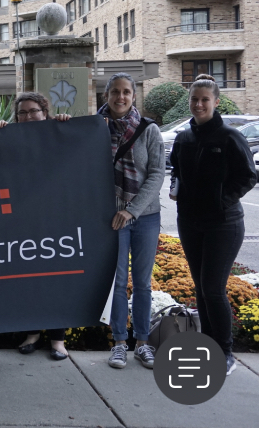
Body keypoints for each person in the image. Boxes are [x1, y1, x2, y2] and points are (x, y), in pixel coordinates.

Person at [170, 74, 256, 376]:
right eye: (194, 99)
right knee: (201, 287)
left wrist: (222, 200)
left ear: (216, 102)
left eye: (205, 99)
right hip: (190, 222)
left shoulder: (230, 136)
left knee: (213, 289)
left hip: (223, 224)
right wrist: (176, 189)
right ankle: (209, 345)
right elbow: (176, 169)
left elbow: (248, 175)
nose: (198, 104)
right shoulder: (184, 137)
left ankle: (224, 351)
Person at [96, 73, 164, 370]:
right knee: (119, 282)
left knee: (143, 283)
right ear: (106, 95)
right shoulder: (95, 128)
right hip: (112, 218)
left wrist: (132, 210)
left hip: (145, 217)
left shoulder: (149, 130)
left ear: (133, 96)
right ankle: (120, 343)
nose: (120, 97)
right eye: (115, 92)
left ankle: (143, 343)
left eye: (126, 92)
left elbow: (157, 174)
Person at [0, 92, 71, 360]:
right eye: (22, 113)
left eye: (33, 111)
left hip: (54, 218)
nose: (28, 116)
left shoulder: (58, 134)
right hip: (23, 219)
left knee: (55, 278)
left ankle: (57, 339)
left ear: (45, 112)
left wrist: (67, 124)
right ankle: (31, 334)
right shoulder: (11, 139)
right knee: (26, 278)